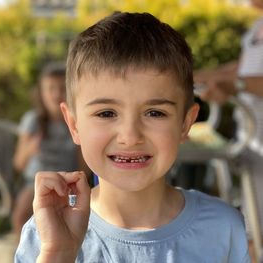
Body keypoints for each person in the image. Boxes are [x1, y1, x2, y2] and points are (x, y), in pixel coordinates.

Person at [15, 12, 250, 262]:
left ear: (185, 123)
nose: (130, 136)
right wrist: (59, 253)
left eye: (154, 113)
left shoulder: (223, 230)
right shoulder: (46, 235)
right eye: (106, 113)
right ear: (73, 124)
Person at [195, 0, 263, 261]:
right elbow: (239, 69)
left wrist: (234, 85)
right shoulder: (257, 26)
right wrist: (190, 75)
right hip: (251, 136)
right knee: (253, 224)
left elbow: (239, 78)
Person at [11, 63, 88, 240]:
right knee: (21, 213)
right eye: (50, 89)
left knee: (75, 217)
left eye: (61, 88)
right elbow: (18, 163)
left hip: (68, 184)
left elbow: (85, 168)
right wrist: (30, 148)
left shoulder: (76, 121)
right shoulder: (33, 120)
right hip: (36, 182)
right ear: (41, 93)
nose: (55, 94)